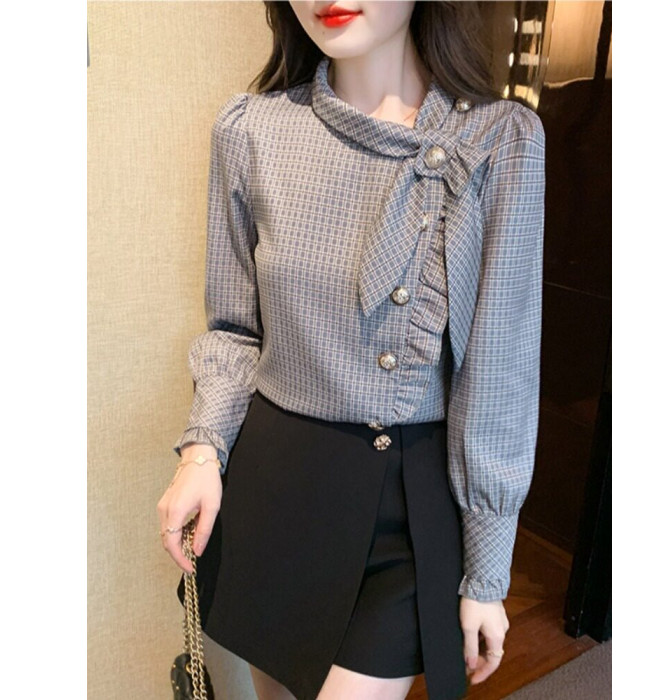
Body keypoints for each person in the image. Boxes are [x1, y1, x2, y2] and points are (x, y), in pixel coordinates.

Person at [157, 2, 546, 699]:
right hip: (276, 485)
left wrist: (488, 572)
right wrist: (202, 451)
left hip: (408, 502)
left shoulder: (500, 141)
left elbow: (500, 374)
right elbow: (235, 329)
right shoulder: (250, 130)